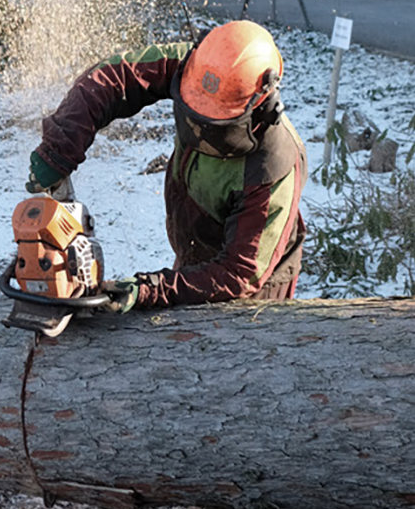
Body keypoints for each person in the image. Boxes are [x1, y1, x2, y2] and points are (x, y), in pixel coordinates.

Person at [28, 20, 307, 313]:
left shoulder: (274, 168)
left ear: (261, 107)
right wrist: (58, 149)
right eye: (195, 111)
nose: (199, 128)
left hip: (252, 292)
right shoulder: (201, 64)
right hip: (195, 252)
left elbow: (239, 274)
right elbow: (112, 76)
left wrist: (154, 289)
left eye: (212, 122)